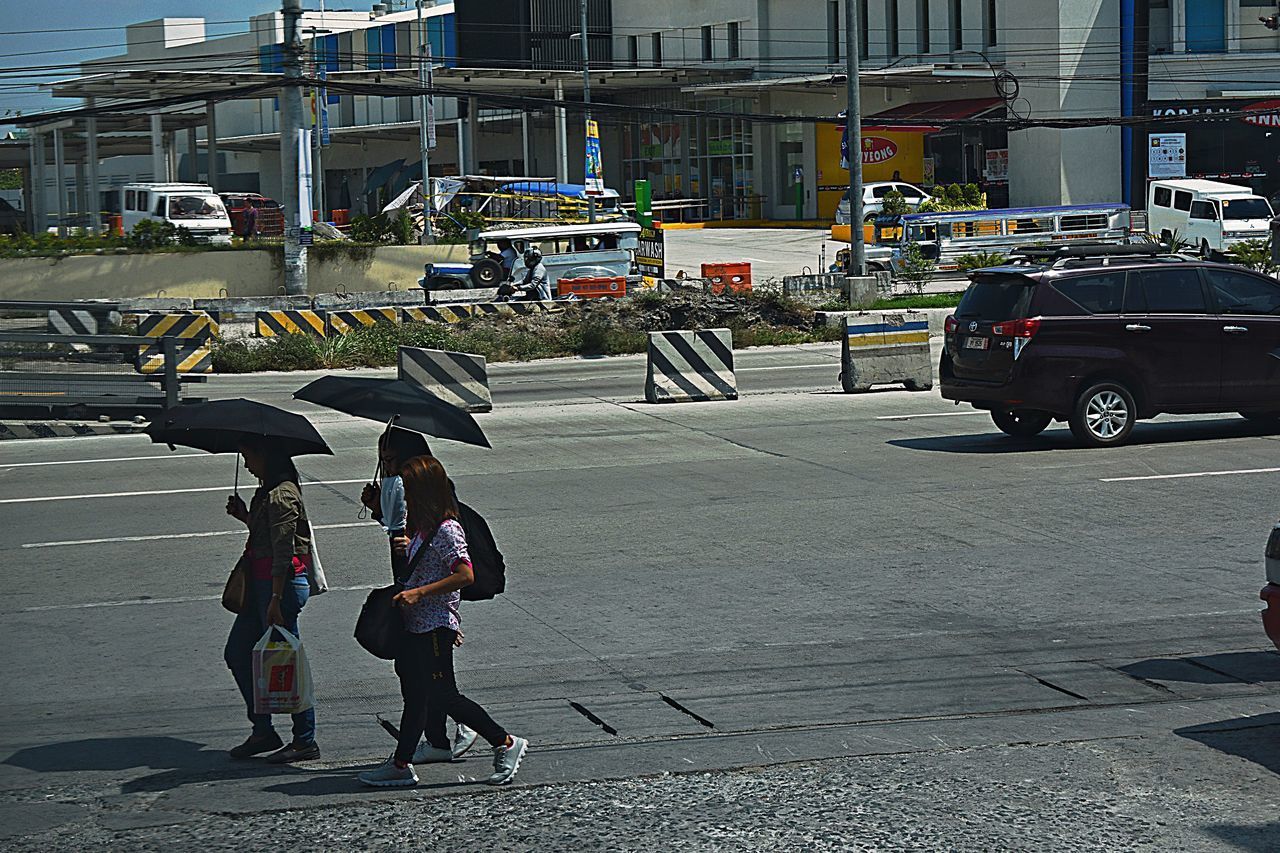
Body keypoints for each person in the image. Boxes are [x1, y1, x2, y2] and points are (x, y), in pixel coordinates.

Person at [358, 456, 527, 788]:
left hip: (433, 625)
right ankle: (401, 764)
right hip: (416, 624)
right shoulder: (421, 526)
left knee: (443, 695)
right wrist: (401, 544)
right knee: (416, 696)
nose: (403, 493)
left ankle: (505, 742)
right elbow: (421, 566)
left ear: (425, 490)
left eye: (408, 487)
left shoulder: (448, 529)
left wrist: (420, 594)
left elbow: (465, 574)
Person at [359, 428, 478, 760]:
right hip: (417, 595)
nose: (387, 468)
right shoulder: (400, 488)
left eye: (391, 460)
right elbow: (405, 529)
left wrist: (440, 610)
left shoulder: (428, 492)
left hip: (428, 600)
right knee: (418, 679)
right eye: (382, 460)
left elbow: (449, 559)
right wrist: (378, 509)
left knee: (434, 685)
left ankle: (496, 738)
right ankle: (432, 742)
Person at [223, 438, 320, 764]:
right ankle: (262, 730)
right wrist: (245, 516)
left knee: (286, 664)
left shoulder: (282, 496)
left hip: (279, 587)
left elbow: (284, 552)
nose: (247, 463)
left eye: (248, 454)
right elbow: (265, 535)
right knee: (238, 652)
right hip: (261, 587)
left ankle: (304, 739)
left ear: (265, 455)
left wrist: (276, 600)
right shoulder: (266, 493)